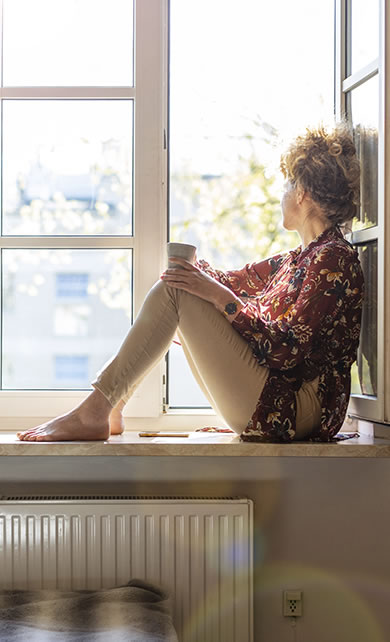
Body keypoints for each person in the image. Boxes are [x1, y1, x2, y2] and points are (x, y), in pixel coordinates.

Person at [17, 124, 364, 443]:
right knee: (179, 289)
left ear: (302, 192)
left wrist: (214, 294)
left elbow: (286, 349)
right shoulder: (298, 258)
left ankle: (98, 409)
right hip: (277, 401)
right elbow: (231, 280)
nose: (281, 196)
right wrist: (189, 272)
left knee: (177, 292)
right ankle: (110, 407)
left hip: (295, 410)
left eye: (286, 186)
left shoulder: (332, 259)